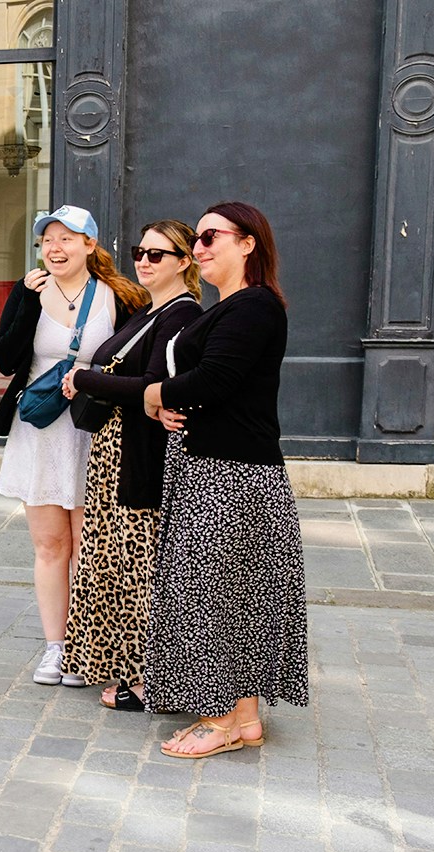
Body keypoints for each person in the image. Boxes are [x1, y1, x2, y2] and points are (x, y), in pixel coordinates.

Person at [140, 202, 310, 758]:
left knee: (210, 598)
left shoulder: (253, 306)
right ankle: (244, 719)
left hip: (230, 476)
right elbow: (214, 385)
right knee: (239, 596)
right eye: (198, 240)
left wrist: (152, 395)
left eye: (212, 236)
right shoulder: (235, 306)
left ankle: (217, 720)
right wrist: (170, 404)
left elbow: (213, 380)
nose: (201, 247)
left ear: (248, 244)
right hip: (221, 467)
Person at [0, 206, 149, 686]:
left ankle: (85, 646)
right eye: (47, 241)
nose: (54, 249)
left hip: (94, 429)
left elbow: (140, 361)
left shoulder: (120, 296)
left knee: (90, 542)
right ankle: (55, 648)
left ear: (89, 246)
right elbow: (4, 359)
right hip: (40, 430)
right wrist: (24, 301)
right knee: (49, 544)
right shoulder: (29, 291)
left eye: (66, 239)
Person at [59, 221, 203, 710]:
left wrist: (87, 379)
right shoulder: (148, 309)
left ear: (184, 261)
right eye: (140, 251)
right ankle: (128, 669)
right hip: (116, 446)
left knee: (141, 565)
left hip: (139, 451)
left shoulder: (182, 314)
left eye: (157, 254)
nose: (144, 261)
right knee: (117, 560)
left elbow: (153, 383)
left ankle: (149, 680)